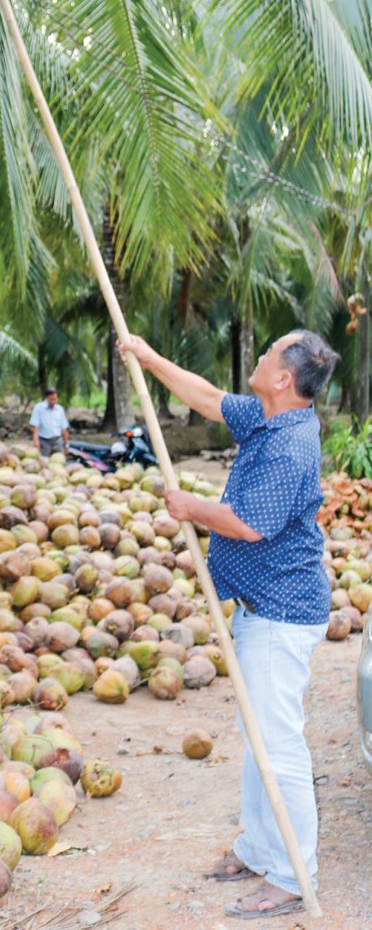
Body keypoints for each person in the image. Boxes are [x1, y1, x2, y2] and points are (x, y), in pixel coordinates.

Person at [117, 329, 338, 921]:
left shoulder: (291, 444)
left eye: (269, 354)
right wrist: (149, 354)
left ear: (285, 378)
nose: (260, 357)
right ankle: (258, 848)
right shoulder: (267, 416)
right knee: (258, 739)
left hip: (281, 615)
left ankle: (293, 875)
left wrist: (191, 507)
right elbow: (210, 399)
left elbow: (247, 524)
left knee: (279, 747)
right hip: (259, 608)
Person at [30, 386, 69, 457]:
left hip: (57, 441)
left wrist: (66, 443)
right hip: (44, 441)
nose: (53, 402)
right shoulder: (39, 408)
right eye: (51, 399)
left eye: (55, 399)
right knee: (44, 462)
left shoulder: (60, 409)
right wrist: (36, 441)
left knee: (59, 461)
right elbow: (35, 427)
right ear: (47, 398)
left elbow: (64, 428)